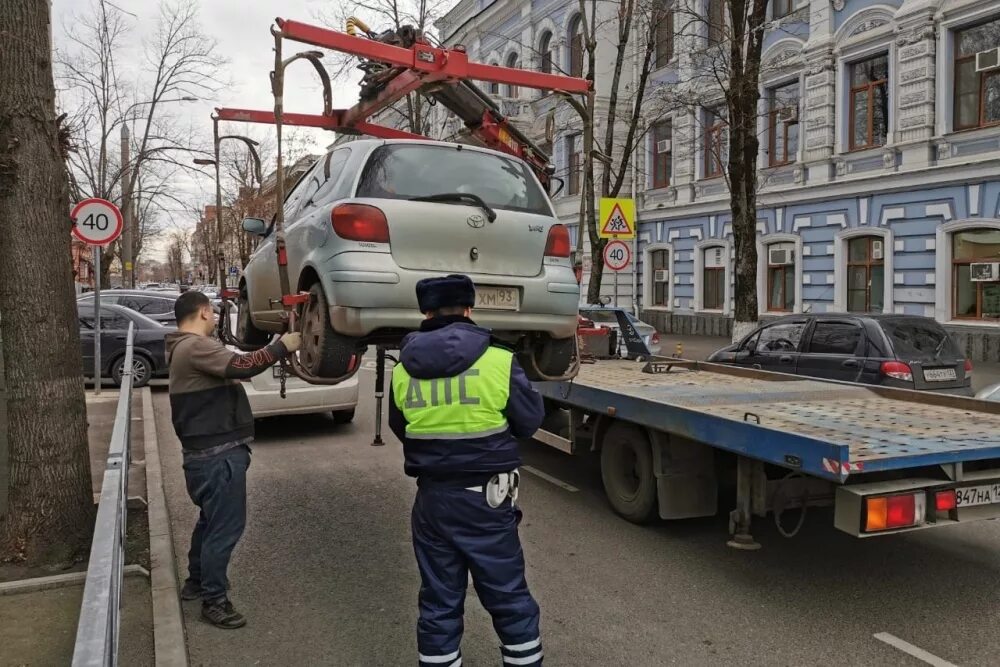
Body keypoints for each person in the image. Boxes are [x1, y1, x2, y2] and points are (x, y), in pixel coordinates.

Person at [389, 274, 546, 666]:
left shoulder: (402, 370)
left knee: (439, 601)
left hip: (432, 501)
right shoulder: (499, 359)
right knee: (508, 598)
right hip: (486, 503)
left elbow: (401, 427)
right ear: (469, 309)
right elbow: (529, 422)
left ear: (425, 312)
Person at [165, 290, 301, 629]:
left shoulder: (183, 348)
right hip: (217, 458)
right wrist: (284, 346)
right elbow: (241, 366)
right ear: (203, 313)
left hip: (205, 455)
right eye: (211, 313)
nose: (214, 318)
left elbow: (241, 358)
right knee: (223, 529)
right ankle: (214, 600)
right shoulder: (196, 346)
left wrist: (273, 341)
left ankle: (196, 581)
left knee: (209, 522)